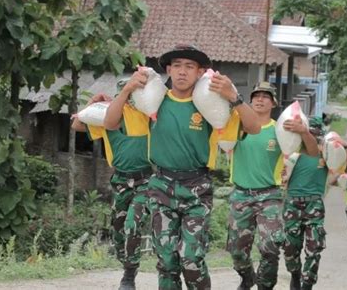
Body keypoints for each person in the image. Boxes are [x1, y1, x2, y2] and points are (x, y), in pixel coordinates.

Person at [104, 44, 261, 290]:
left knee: (191, 259)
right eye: (177, 65)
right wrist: (127, 91)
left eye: (190, 66)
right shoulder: (153, 104)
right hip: (161, 187)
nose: (182, 72)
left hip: (197, 188)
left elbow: (254, 127)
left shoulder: (211, 106)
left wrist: (234, 96)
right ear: (168, 70)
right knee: (166, 260)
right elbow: (110, 123)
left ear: (200, 72)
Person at [226, 82, 319, 290]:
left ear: (274, 103)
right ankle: (247, 276)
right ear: (250, 101)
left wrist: (304, 132)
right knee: (237, 250)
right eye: (256, 95)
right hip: (240, 194)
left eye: (265, 96)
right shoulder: (238, 124)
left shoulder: (281, 130)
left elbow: (313, 153)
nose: (260, 99)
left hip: (269, 195)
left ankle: (265, 285)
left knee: (270, 246)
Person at [71, 92, 153, 290]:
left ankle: (129, 275)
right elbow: (77, 124)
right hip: (121, 181)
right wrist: (92, 104)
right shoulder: (107, 121)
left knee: (132, 224)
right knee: (118, 229)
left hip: (146, 181)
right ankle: (126, 264)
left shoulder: (146, 116)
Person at [282, 117, 347, 290]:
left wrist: (346, 146)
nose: (315, 139)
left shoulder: (327, 154)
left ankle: (307, 283)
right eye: (311, 133)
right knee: (289, 248)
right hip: (292, 204)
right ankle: (295, 273)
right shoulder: (292, 151)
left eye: (317, 135)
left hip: (314, 205)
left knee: (314, 248)